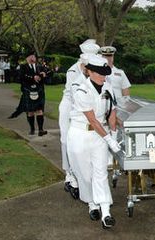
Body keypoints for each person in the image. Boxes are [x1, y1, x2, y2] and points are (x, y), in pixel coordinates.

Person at [67, 54, 120, 229]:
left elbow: (112, 112)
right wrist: (109, 139)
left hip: (100, 136)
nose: (102, 76)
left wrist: (113, 134)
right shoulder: (81, 89)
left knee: (101, 172)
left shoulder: (109, 87)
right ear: (89, 72)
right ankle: (92, 204)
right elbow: (92, 120)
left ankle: (106, 212)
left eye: (104, 73)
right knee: (85, 174)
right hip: (80, 135)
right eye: (98, 73)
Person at [59, 39, 100, 199]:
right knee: (66, 140)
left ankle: (88, 176)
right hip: (71, 106)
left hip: (88, 106)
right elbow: (75, 96)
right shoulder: (72, 71)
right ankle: (70, 176)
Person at [9, 52, 48, 136]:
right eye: (31, 56)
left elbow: (46, 75)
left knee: (40, 110)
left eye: (34, 56)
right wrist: (33, 77)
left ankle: (41, 130)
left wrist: (44, 75)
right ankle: (32, 129)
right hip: (28, 90)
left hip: (39, 90)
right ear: (27, 58)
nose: (33, 58)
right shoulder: (23, 67)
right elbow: (21, 77)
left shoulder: (40, 67)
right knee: (30, 111)